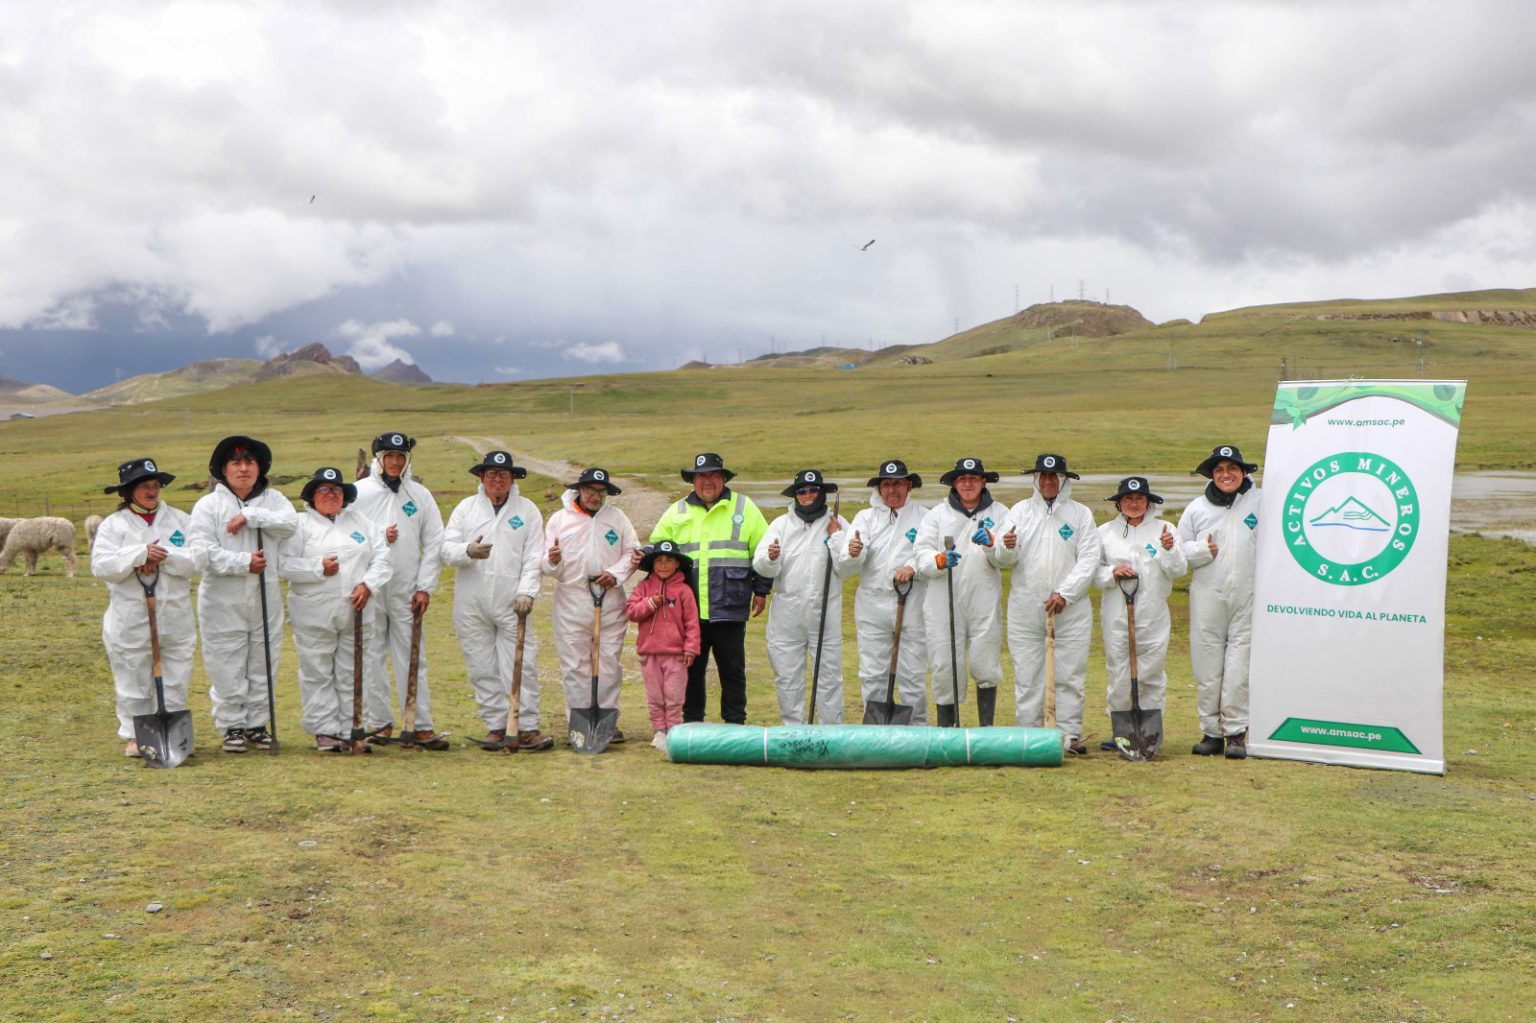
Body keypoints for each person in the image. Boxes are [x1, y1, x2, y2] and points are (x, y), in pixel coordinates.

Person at [189, 436, 297, 754]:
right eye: (236, 463)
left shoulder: (274, 500)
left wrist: (253, 517)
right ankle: (232, 724)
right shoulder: (208, 506)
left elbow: (291, 524)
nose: (244, 469)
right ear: (223, 469)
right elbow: (202, 552)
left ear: (259, 467)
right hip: (222, 597)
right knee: (225, 659)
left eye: (249, 462)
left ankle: (257, 723)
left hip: (265, 593)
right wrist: (244, 562)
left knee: (263, 658)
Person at [92, 458, 204, 757]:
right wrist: (138, 554)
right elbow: (102, 566)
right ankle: (135, 733)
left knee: (177, 673)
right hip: (131, 614)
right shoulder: (113, 526)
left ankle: (176, 734)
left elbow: (197, 560)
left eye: (154, 485)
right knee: (134, 675)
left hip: (174, 611)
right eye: (144, 486)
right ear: (128, 491)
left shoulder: (180, 520)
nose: (151, 490)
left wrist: (166, 556)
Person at [648, 452, 771, 724]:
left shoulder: (744, 507)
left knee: (733, 670)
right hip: (689, 610)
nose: (708, 481)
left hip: (731, 604)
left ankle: (735, 722)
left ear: (723, 479)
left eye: (714, 475)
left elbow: (764, 551)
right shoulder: (676, 511)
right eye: (702, 476)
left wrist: (761, 590)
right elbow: (656, 550)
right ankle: (692, 723)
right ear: (693, 480)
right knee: (692, 669)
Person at [441, 451, 552, 750]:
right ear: (482, 477)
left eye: (503, 474)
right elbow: (445, 548)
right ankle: (496, 725)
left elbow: (533, 558)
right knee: (481, 666)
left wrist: (527, 592)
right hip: (471, 602)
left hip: (511, 601)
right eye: (492, 474)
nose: (498, 480)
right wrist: (467, 551)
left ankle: (526, 726)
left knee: (522, 663)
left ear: (512, 478)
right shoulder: (466, 509)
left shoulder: (527, 511)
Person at [277, 468, 392, 752]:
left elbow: (383, 558)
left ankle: (351, 726)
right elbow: (284, 565)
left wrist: (368, 585)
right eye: (324, 490)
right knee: (317, 671)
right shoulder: (299, 525)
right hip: (314, 612)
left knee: (353, 670)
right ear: (312, 496)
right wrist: (318, 568)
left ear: (345, 496)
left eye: (337, 490)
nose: (331, 495)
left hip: (357, 609)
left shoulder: (361, 521)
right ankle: (325, 730)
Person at [999, 453, 1102, 755]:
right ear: (1035, 480)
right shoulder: (1019, 512)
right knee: (1028, 675)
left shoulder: (1080, 514)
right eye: (1042, 476)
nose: (1047, 481)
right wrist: (1005, 548)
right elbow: (1005, 557)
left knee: (1069, 674)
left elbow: (1090, 559)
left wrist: (1065, 593)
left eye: (1054, 476)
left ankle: (1068, 735)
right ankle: (1029, 735)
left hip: (1070, 610)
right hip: (1026, 608)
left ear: (1064, 480)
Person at [352, 431, 448, 749]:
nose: (395, 462)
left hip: (408, 589)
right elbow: (346, 533)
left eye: (401, 457)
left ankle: (419, 724)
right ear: (378, 459)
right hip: (370, 587)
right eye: (389, 456)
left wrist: (425, 586)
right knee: (372, 654)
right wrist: (378, 535)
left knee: (412, 655)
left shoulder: (419, 495)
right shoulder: (358, 492)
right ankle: (380, 722)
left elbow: (435, 541)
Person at [542, 467, 641, 744]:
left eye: (600, 492)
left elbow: (633, 552)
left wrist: (617, 574)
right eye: (590, 490)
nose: (595, 496)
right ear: (579, 490)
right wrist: (553, 560)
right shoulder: (559, 520)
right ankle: (580, 722)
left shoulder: (617, 518)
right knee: (575, 666)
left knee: (608, 664)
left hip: (609, 600)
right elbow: (547, 565)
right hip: (572, 601)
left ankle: (607, 719)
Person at [913, 458, 1013, 727]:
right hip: (942, 600)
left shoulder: (1001, 513)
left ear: (983, 482)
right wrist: (938, 560)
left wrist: (993, 545)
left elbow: (1008, 558)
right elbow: (920, 552)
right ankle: (948, 729)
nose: (968, 483)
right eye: (962, 479)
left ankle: (985, 728)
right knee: (945, 665)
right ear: (955, 483)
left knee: (985, 662)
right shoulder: (937, 515)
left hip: (983, 596)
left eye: (973, 478)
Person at [1178, 444, 1262, 759]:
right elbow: (1178, 552)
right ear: (1212, 475)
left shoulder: (1260, 503)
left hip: (1248, 595)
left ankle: (1237, 732)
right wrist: (1201, 551)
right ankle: (1211, 732)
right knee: (1207, 665)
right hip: (1207, 597)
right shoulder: (1196, 509)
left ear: (1243, 472)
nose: (1226, 475)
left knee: (1240, 667)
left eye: (1232, 469)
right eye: (1219, 470)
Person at [1093, 476, 1187, 754]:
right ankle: (1121, 730)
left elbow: (1179, 570)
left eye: (1139, 499)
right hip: (1116, 613)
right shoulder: (1105, 533)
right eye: (1128, 499)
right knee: (1119, 672)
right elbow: (1093, 573)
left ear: (1148, 502)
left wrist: (1169, 549)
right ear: (1119, 502)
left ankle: (1148, 732)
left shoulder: (1165, 529)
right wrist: (1112, 572)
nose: (1134, 504)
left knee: (1152, 673)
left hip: (1153, 612)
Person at [835, 459, 930, 723]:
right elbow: (849, 560)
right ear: (879, 488)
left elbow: (929, 554)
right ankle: (875, 729)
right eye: (886, 485)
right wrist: (854, 552)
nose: (892, 490)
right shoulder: (865, 518)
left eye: (897, 483)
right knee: (873, 671)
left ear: (908, 485)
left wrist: (911, 567)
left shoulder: (924, 516)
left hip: (911, 601)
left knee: (912, 672)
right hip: (872, 604)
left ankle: (917, 728)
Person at [753, 469, 850, 724]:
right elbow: (761, 565)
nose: (808, 495)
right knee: (787, 676)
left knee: (829, 677)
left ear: (822, 492)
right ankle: (794, 731)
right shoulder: (780, 525)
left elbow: (848, 566)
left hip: (825, 610)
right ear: (795, 495)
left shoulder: (837, 522)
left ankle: (831, 733)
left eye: (813, 490)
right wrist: (770, 558)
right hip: (788, 612)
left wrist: (837, 538)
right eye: (802, 491)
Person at [625, 540, 701, 749]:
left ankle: (674, 731)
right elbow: (631, 612)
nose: (664, 565)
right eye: (659, 560)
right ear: (652, 564)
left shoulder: (684, 591)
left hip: (676, 654)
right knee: (655, 696)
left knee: (674, 696)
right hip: (649, 653)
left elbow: (692, 622)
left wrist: (691, 648)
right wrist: (650, 603)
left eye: (669, 560)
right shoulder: (644, 587)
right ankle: (659, 731)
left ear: (677, 564)